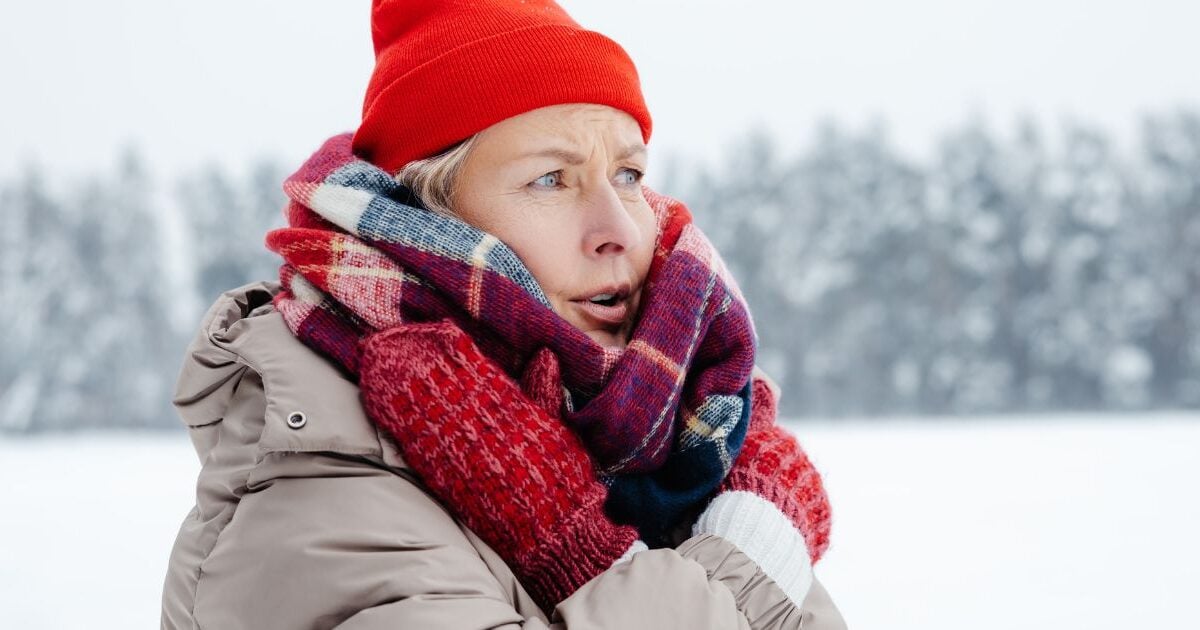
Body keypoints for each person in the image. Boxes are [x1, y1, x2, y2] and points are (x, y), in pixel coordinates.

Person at [161, 1, 846, 628]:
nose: (620, 230)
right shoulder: (318, 486)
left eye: (629, 175)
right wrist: (755, 556)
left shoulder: (680, 445)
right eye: (551, 178)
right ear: (426, 217)